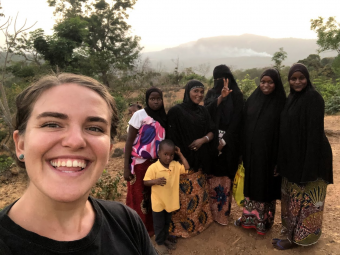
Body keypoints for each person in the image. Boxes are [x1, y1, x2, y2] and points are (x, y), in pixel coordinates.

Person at [0, 73, 157, 254]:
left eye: (94, 128)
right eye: (52, 124)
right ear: (20, 145)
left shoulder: (126, 222)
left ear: (108, 151)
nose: (75, 141)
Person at [273, 63, 333, 250]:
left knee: (305, 201)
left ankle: (298, 240)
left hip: (311, 160)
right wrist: (280, 162)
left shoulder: (313, 98)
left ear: (307, 79)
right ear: (289, 80)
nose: (297, 82)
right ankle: (290, 231)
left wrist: (308, 171)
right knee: (292, 199)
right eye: (293, 78)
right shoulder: (291, 98)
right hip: (292, 159)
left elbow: (314, 137)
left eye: (301, 78)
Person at [235, 69, 286, 235]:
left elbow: (283, 133)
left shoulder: (281, 103)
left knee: (265, 187)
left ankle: (263, 222)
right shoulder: (252, 99)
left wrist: (279, 160)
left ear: (276, 83)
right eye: (263, 82)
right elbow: (243, 125)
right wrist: (242, 151)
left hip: (268, 156)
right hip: (251, 154)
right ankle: (248, 218)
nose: (266, 85)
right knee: (251, 186)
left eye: (270, 82)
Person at [167, 80, 215, 238]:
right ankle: (181, 228)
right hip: (182, 162)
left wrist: (203, 140)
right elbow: (170, 136)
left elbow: (211, 131)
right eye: (196, 91)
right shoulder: (176, 111)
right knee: (183, 197)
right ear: (188, 92)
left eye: (202, 92)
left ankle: (199, 224)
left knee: (198, 195)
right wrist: (177, 158)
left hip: (199, 161)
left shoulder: (203, 111)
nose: (199, 95)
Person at [124, 87, 167, 236]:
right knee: (138, 196)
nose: (156, 101)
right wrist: (126, 167)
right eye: (152, 99)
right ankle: (137, 230)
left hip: (156, 164)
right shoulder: (139, 115)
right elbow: (129, 141)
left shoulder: (163, 116)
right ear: (147, 100)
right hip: (139, 163)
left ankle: (151, 228)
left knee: (152, 197)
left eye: (158, 99)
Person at [204, 65, 243, 225]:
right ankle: (211, 213)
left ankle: (223, 214)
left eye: (224, 78)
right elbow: (206, 113)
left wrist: (224, 141)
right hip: (212, 141)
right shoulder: (211, 94)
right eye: (217, 79)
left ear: (229, 78)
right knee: (212, 176)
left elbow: (238, 120)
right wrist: (221, 97)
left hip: (230, 143)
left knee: (227, 176)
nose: (220, 81)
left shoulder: (237, 96)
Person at [144, 139, 190, 255]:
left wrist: (180, 154)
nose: (168, 157)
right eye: (165, 154)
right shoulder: (153, 168)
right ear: (159, 153)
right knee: (159, 225)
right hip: (158, 203)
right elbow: (145, 182)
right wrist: (155, 181)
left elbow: (187, 167)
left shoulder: (175, 165)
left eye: (171, 155)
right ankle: (159, 243)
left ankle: (164, 240)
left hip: (170, 202)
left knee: (166, 223)